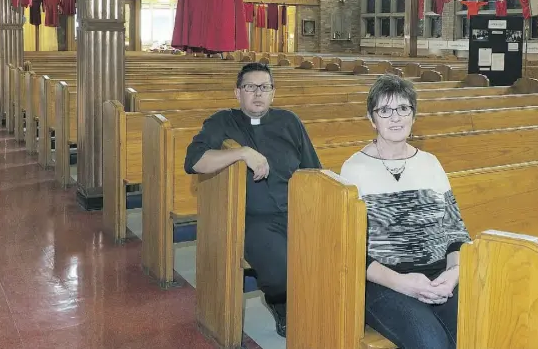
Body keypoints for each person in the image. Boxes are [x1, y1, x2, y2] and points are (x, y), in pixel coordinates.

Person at [183, 62, 322, 337]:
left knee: (338, 253)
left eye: (265, 87)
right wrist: (242, 152)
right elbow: (194, 161)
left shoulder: (289, 121)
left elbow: (313, 169)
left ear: (273, 93)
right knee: (284, 271)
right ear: (237, 93)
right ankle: (280, 302)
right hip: (252, 219)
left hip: (296, 210)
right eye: (250, 87)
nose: (258, 93)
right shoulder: (223, 121)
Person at [339, 74, 471, 349]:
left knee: (477, 330)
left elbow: (456, 231)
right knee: (432, 344)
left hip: (440, 276)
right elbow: (351, 249)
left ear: (414, 115)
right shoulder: (354, 169)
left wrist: (454, 272)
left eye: (403, 108)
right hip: (385, 283)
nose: (396, 118)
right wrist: (404, 283)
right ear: (371, 118)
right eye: (385, 110)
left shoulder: (430, 163)